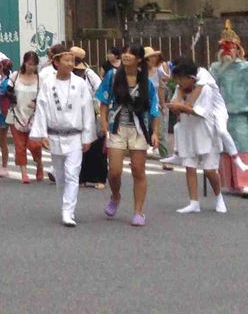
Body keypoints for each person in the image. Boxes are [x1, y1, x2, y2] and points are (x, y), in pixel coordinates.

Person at [29, 45, 97, 227]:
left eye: (72, 61)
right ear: (56, 63)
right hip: (54, 134)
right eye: (66, 60)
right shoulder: (48, 84)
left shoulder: (81, 84)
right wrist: (42, 133)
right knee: (60, 175)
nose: (70, 64)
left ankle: (69, 211)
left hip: (75, 135)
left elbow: (87, 111)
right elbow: (41, 109)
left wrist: (87, 136)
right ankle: (64, 205)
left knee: (72, 174)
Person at [96, 45, 160, 227]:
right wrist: (104, 124)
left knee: (138, 171)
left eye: (131, 53)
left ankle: (139, 211)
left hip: (139, 129)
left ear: (139, 59)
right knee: (114, 171)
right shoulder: (113, 76)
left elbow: (154, 109)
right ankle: (115, 195)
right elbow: (103, 101)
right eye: (125, 52)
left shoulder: (146, 82)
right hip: (117, 128)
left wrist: (155, 133)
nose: (126, 55)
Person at [208, 24, 248, 198]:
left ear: (238, 49)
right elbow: (208, 91)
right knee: (223, 149)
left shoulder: (247, 69)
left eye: (232, 47)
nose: (228, 51)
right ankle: (228, 182)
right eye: (225, 47)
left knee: (244, 146)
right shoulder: (214, 69)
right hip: (221, 115)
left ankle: (244, 183)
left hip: (241, 115)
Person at [167, 61, 227, 214]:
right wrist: (175, 108)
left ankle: (219, 197)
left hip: (207, 132)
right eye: (177, 79)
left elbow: (200, 112)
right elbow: (177, 105)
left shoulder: (205, 89)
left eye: (181, 79)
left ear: (191, 77)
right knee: (190, 166)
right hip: (188, 131)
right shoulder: (180, 89)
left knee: (209, 170)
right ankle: (194, 202)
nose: (179, 83)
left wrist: (181, 107)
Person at [72, 48, 107, 189]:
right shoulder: (66, 75)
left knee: (96, 146)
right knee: (80, 147)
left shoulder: (89, 74)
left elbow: (100, 91)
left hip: (92, 112)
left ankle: (100, 178)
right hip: (75, 113)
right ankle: (82, 177)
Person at [5, 51, 42, 184]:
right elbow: (7, 91)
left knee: (34, 145)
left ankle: (39, 164)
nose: (31, 67)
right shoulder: (15, 76)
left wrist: (36, 103)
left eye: (34, 64)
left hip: (34, 116)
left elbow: (44, 97)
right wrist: (12, 98)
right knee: (20, 146)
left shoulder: (40, 79)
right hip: (16, 114)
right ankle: (24, 173)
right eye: (29, 64)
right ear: (24, 63)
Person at [145, 48, 173, 171]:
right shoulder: (139, 72)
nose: (153, 59)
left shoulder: (158, 71)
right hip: (142, 105)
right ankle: (139, 157)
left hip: (155, 104)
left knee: (160, 133)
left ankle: (165, 159)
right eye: (151, 57)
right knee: (142, 131)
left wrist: (162, 104)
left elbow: (161, 87)